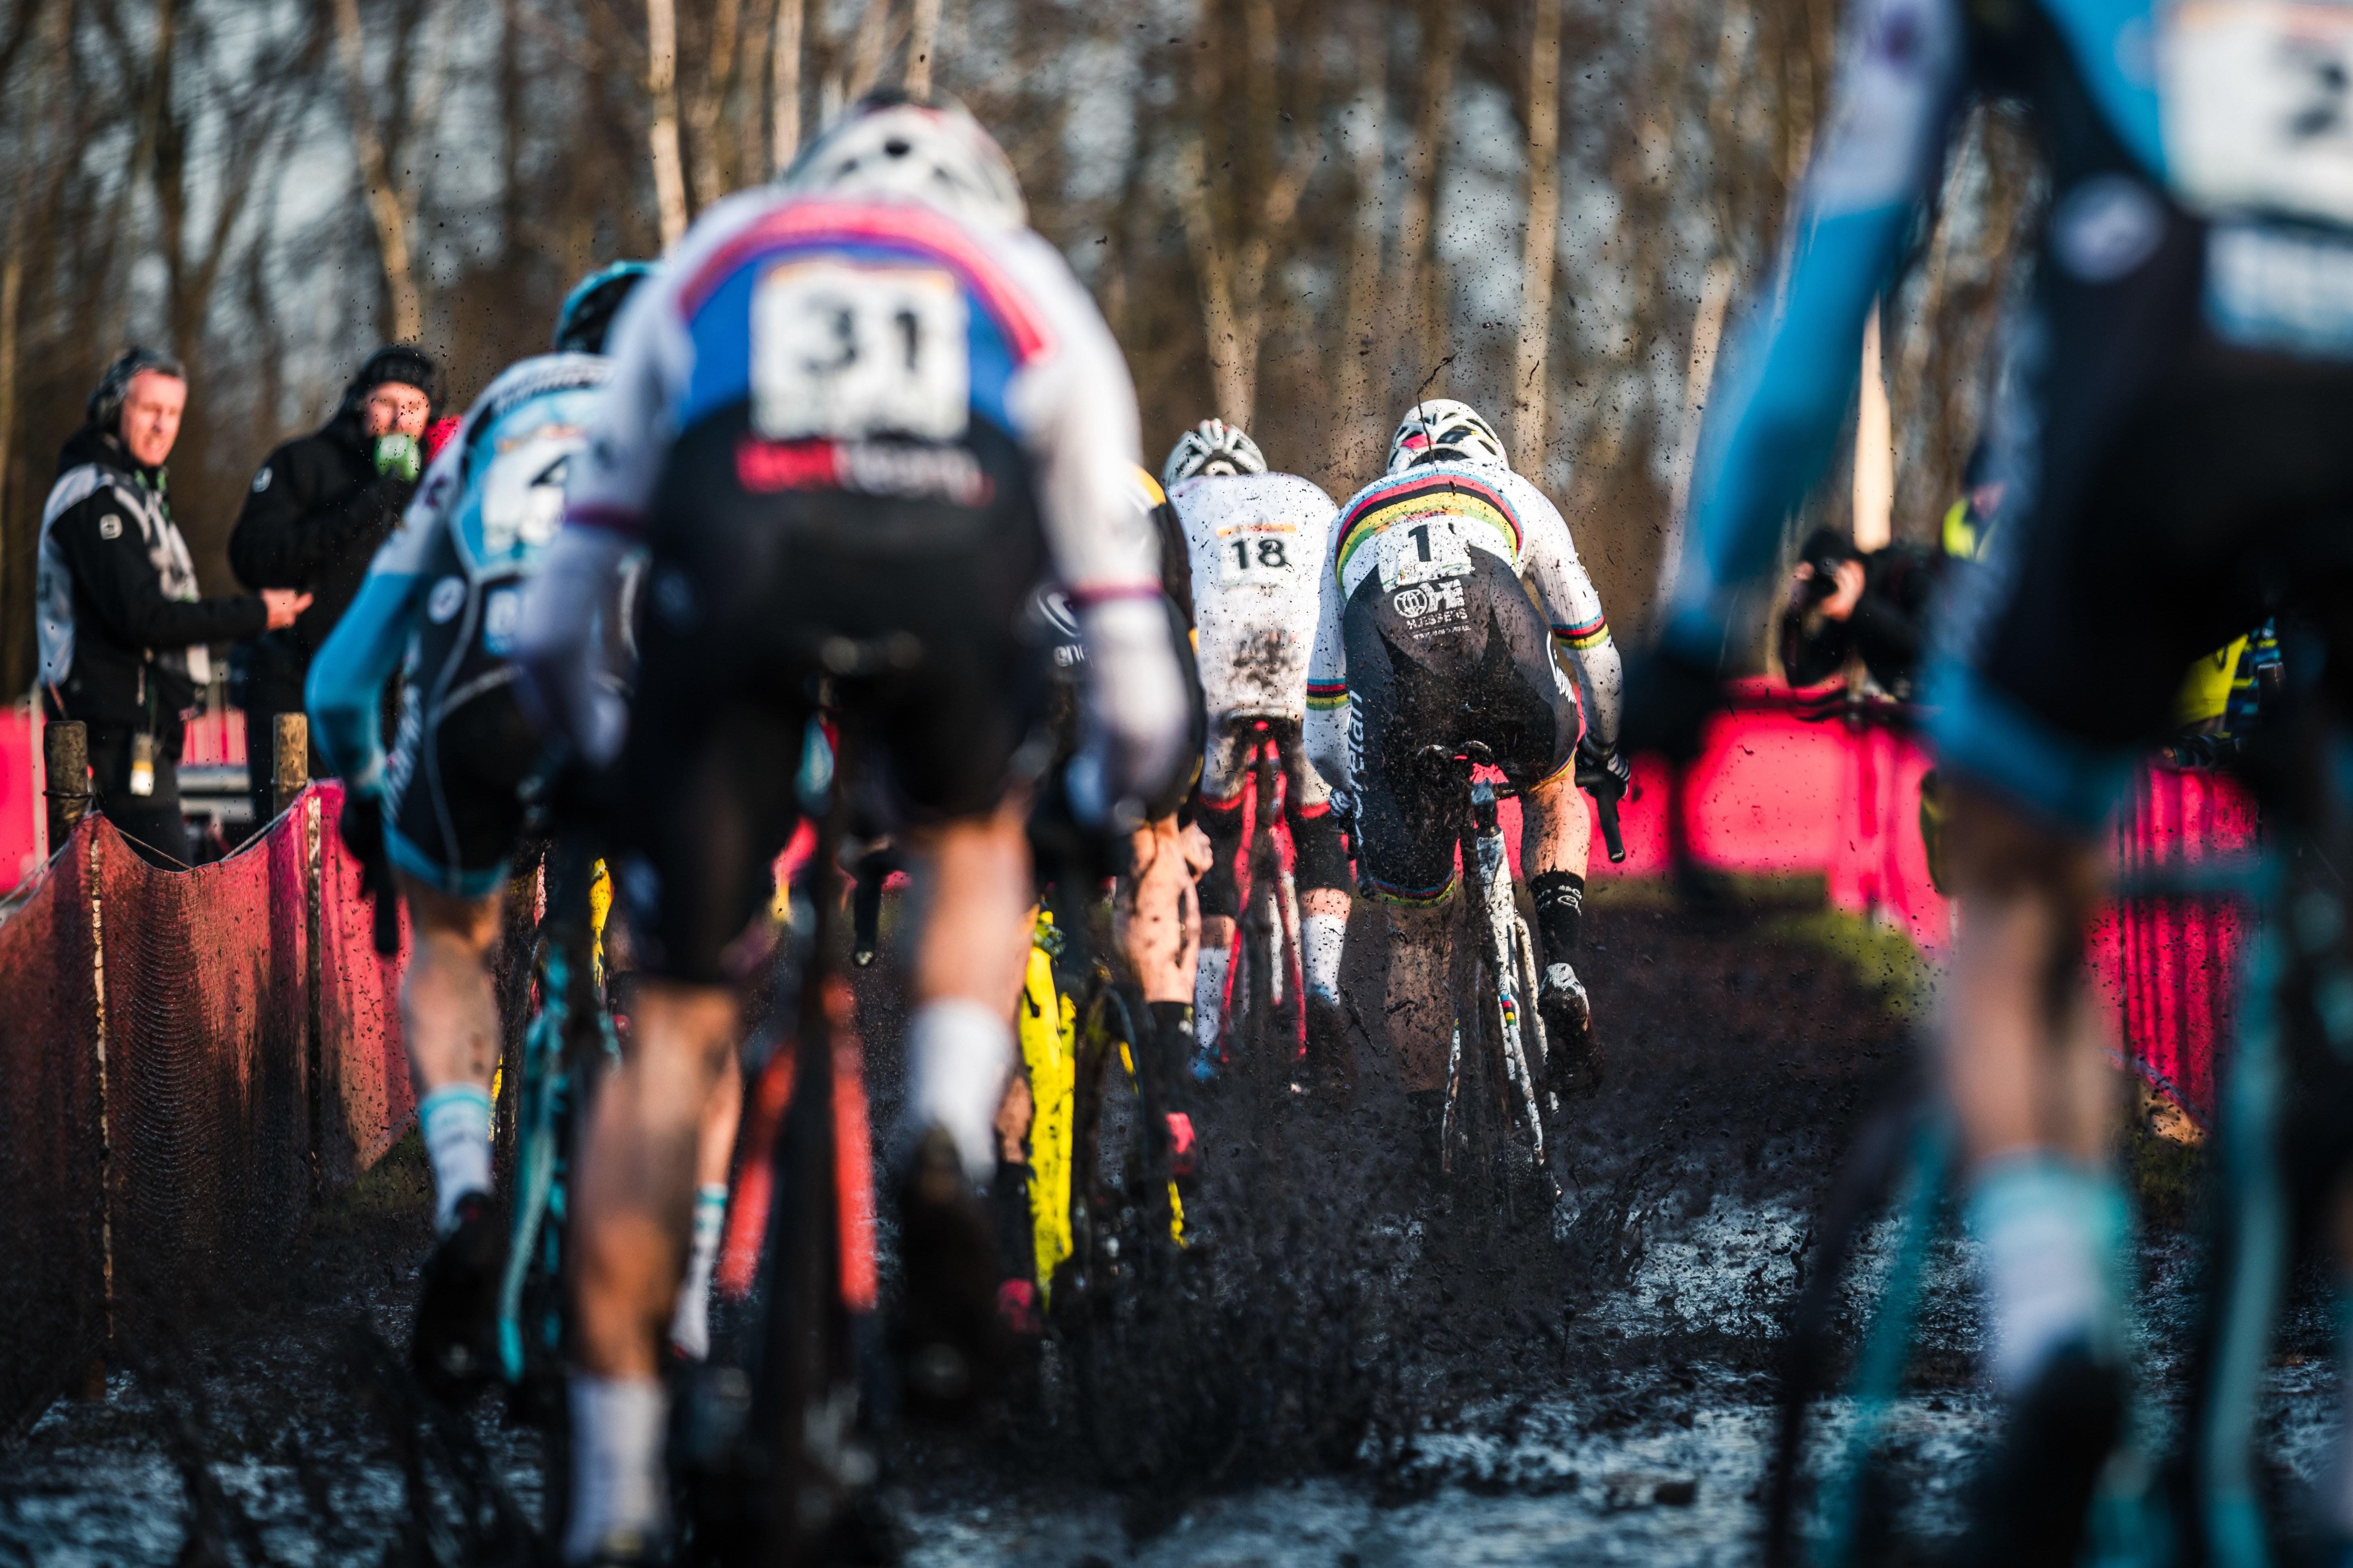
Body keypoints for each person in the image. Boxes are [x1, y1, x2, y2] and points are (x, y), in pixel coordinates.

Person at [1617, 0, 2353, 1557]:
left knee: (2017, 889)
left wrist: (1693, 635)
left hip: (2154, 369)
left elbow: (1827, 300)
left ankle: (2055, 1351)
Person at [513, 92, 1189, 1565]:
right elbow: (1138, 690)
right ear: (986, 193)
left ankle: (616, 1499)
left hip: (735, 581)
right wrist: (1088, 803)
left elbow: (562, 616)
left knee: (677, 1018)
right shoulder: (1027, 288)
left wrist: (603, 758)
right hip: (948, 573)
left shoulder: (717, 256)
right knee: (971, 836)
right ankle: (942, 1130)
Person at [306, 266, 732, 1401]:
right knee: (697, 988)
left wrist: (358, 780)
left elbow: (346, 672)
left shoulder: (490, 417)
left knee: (454, 944)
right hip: (642, 709)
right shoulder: (693, 413)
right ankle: (684, 1305)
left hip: (477, 704)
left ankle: (466, 1196)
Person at [1305, 398, 1625, 1119]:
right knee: (1552, 790)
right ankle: (1562, 964)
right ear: (1489, 453)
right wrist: (1600, 751)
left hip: (1396, 691)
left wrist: (1351, 802)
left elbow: (1322, 723)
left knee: (1415, 932)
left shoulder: (1352, 515)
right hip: (1501, 651)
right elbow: (1595, 657)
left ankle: (1430, 1160)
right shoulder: (1516, 494)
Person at [37, 349, 309, 866]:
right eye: (149, 409)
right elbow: (145, 617)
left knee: (151, 910)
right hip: (109, 739)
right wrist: (256, 613)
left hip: (142, 736)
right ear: (114, 408)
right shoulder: (94, 496)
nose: (163, 425)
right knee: (163, 918)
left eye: (174, 412)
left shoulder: (132, 491)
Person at [1159, 418, 1354, 1069]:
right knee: (1319, 831)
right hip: (1304, 664)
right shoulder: (1299, 493)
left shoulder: (1173, 506)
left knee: (1211, 840)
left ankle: (1207, 1037)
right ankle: (1323, 988)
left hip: (1221, 673)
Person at [231, 344, 437, 824]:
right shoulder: (304, 462)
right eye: (385, 402)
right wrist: (365, 505)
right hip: (293, 690)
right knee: (294, 846)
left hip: (387, 694)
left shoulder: (433, 480)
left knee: (378, 852)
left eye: (413, 407)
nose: (398, 420)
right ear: (359, 402)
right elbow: (253, 558)